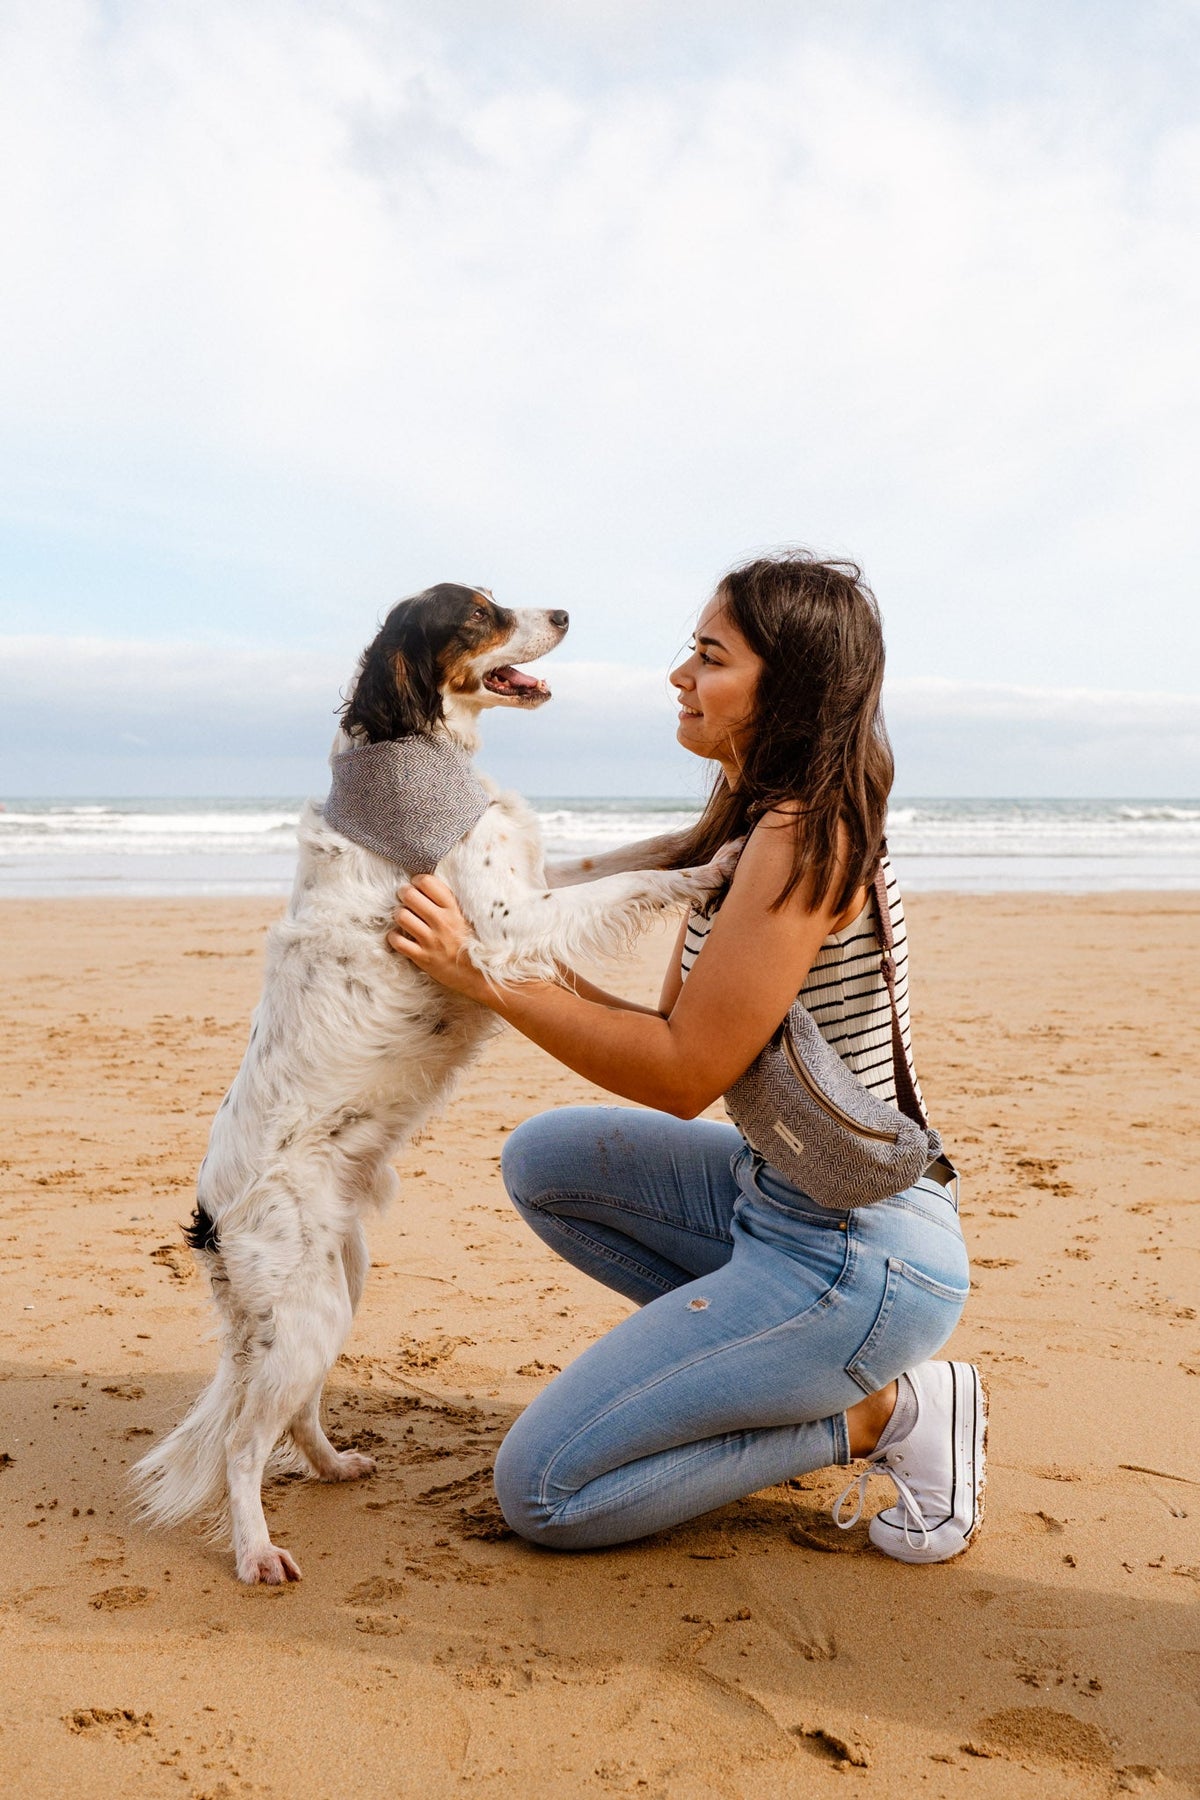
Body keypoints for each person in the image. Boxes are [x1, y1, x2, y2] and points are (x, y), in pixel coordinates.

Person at [387, 551, 985, 1565]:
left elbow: (679, 1073)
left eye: (709, 656)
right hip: (777, 1202)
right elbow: (655, 1009)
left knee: (545, 1490)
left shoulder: (803, 837)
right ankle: (771, 1361)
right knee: (547, 1161)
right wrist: (485, 941)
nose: (679, 675)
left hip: (861, 1251)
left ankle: (885, 1417)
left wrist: (483, 978)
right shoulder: (748, 826)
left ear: (786, 689)